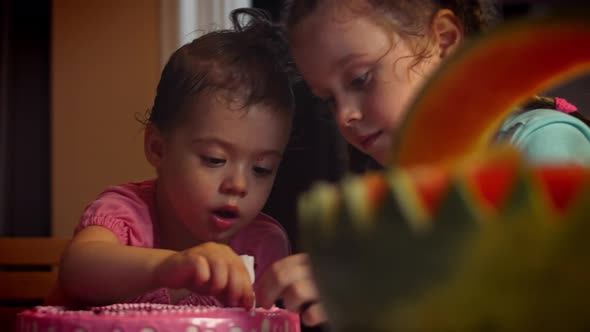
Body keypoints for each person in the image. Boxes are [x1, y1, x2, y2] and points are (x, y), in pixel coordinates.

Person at [256, 0, 590, 327]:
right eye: (329, 99)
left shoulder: (542, 144)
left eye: (360, 78)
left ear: (444, 42)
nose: (345, 116)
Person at [49, 8, 296, 309]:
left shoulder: (263, 243)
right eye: (215, 159)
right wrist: (169, 267)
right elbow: (79, 269)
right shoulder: (126, 214)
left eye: (262, 169)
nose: (239, 184)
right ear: (157, 148)